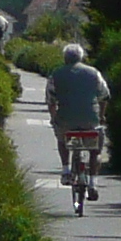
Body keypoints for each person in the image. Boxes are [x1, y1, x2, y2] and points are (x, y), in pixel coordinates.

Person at [48, 40, 111, 173]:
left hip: (66, 119)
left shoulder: (56, 74)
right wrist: (101, 116)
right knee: (95, 150)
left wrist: (54, 118)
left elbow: (51, 100)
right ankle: (93, 182)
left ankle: (66, 169)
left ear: (65, 58)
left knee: (62, 139)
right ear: (81, 57)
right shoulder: (94, 73)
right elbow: (105, 96)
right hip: (90, 120)